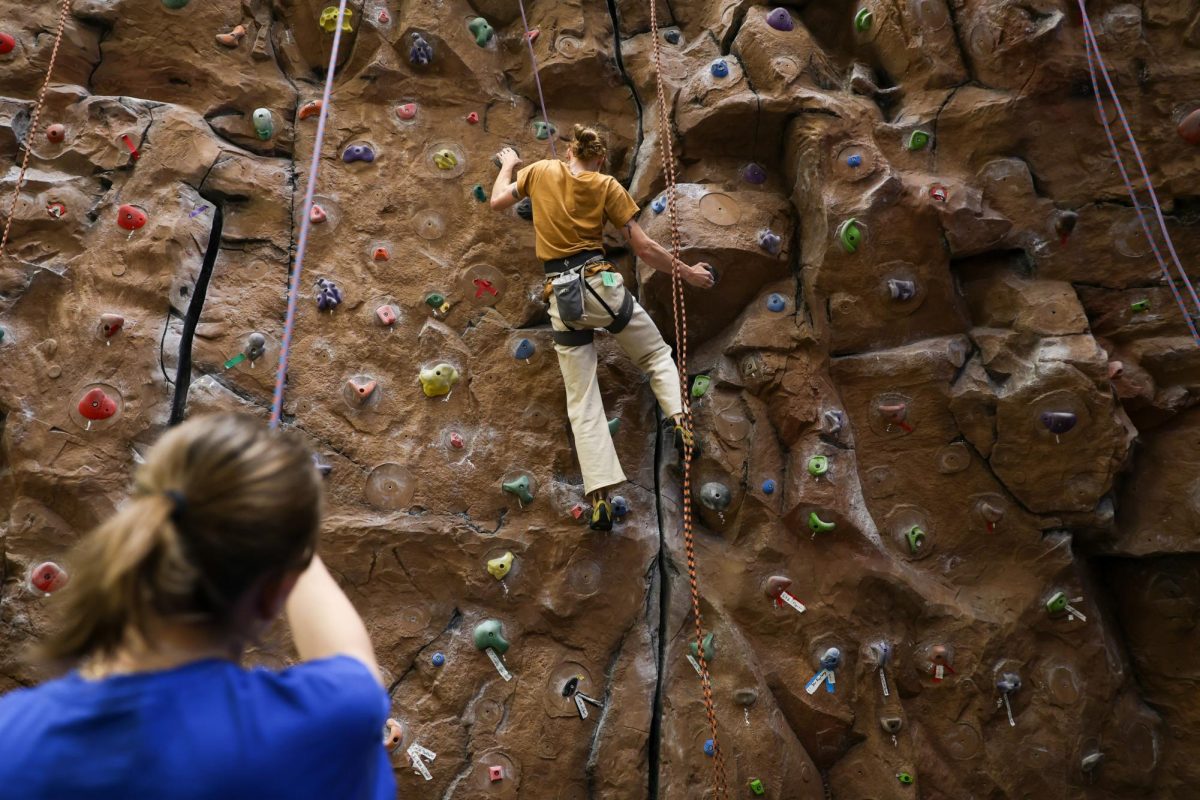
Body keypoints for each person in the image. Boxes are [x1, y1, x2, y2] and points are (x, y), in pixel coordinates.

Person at [0, 414, 395, 800]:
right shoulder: (327, 727)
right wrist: (285, 517)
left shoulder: (12, 739)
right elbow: (352, 664)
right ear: (274, 592)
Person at [490, 124, 715, 531]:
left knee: (583, 400)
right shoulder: (607, 185)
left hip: (563, 298)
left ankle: (600, 499)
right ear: (598, 159)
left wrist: (508, 164)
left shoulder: (539, 171)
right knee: (653, 354)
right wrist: (688, 273)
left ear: (570, 150)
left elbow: (497, 201)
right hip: (602, 287)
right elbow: (644, 248)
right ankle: (681, 422)